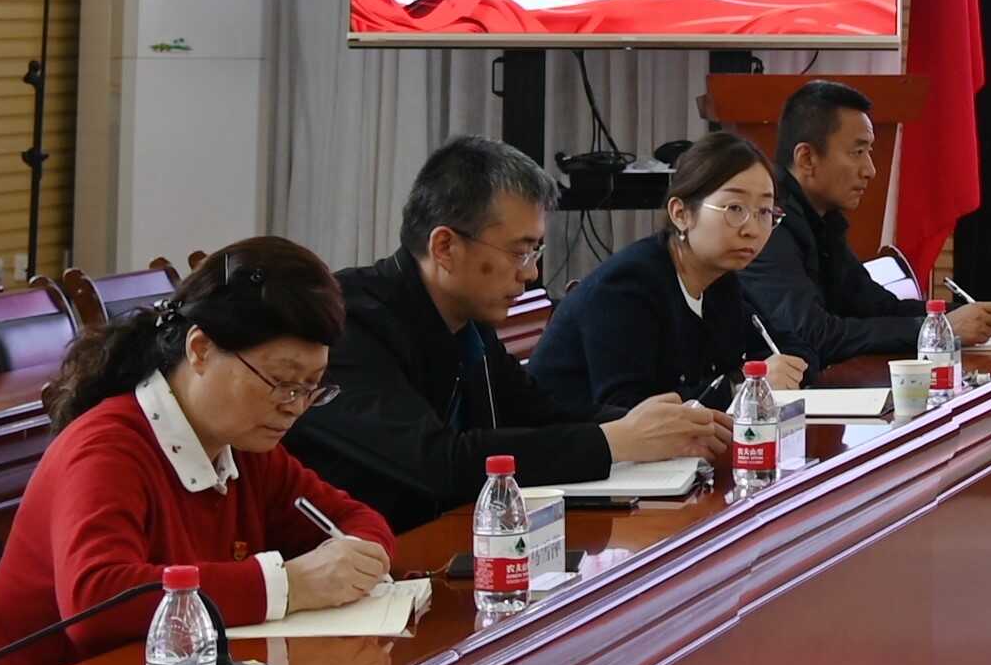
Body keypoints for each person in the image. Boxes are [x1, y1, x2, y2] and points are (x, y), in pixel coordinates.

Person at [0, 237, 394, 665]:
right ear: (200, 349)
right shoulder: (107, 449)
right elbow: (95, 602)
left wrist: (355, 560)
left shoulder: (247, 447)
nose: (294, 406)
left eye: (311, 387)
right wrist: (289, 585)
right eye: (280, 381)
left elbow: (355, 521)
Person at [304, 135, 737, 532]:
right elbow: (436, 461)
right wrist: (615, 440)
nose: (531, 273)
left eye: (536, 250)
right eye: (520, 252)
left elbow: (541, 413)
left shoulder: (467, 321)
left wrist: (655, 427)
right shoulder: (346, 323)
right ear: (445, 247)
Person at [521, 127, 816, 417]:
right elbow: (627, 410)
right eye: (735, 208)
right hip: (565, 441)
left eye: (764, 211)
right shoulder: (627, 286)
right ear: (681, 213)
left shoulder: (720, 281)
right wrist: (740, 385)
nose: (752, 229)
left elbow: (792, 350)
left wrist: (772, 372)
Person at [743, 78, 991, 374]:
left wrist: (988, 313)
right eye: (857, 152)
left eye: (869, 152)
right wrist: (938, 328)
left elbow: (879, 307)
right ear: (806, 158)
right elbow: (813, 335)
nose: (870, 170)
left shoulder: (822, 219)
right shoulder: (769, 223)